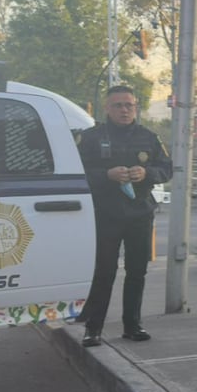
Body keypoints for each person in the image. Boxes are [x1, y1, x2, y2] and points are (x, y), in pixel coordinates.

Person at [78, 85, 171, 347]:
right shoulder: (91, 137)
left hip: (139, 214)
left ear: (136, 107)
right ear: (107, 108)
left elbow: (166, 168)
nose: (124, 109)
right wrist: (106, 176)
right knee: (103, 272)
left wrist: (147, 173)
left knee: (137, 272)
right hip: (104, 214)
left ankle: (132, 325)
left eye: (129, 105)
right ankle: (93, 328)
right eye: (118, 105)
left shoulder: (149, 137)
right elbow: (77, 172)